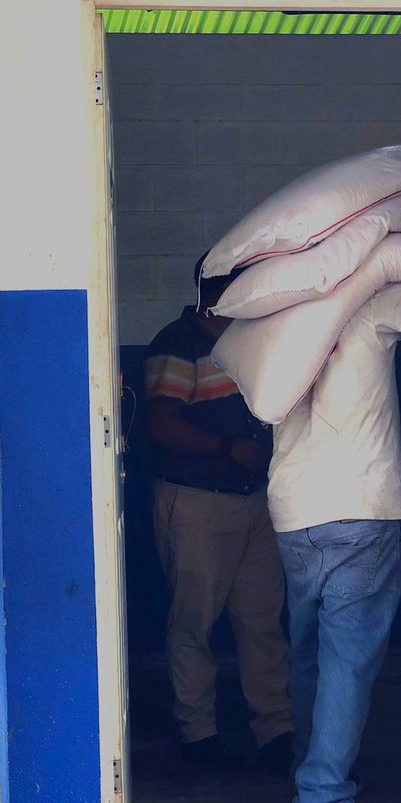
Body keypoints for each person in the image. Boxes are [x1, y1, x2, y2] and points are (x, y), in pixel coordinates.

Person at [269, 152, 401, 803]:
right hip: (361, 508)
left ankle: (308, 769)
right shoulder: (371, 304)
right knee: (349, 663)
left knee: (309, 656)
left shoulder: (277, 324)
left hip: (292, 513)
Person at [142, 256, 293, 771]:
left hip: (254, 499)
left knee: (262, 621)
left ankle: (275, 729)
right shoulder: (177, 342)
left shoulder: (249, 340)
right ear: (218, 290)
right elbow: (160, 425)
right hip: (196, 502)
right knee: (194, 622)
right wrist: (227, 447)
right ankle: (198, 732)